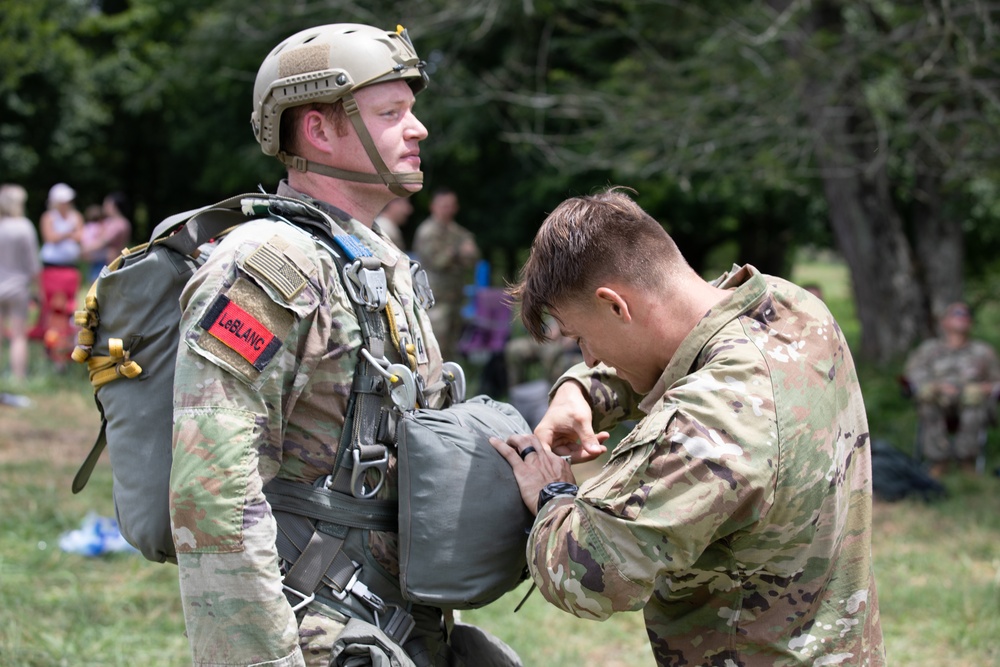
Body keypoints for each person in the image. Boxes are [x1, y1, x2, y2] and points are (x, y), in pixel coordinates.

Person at [169, 23, 519, 667]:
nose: (418, 130)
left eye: (411, 111)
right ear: (318, 130)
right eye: (392, 113)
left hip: (396, 619)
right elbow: (212, 489)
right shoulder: (266, 267)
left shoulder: (376, 257)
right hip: (318, 627)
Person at [490, 188, 885, 665]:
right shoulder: (790, 309)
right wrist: (580, 389)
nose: (588, 357)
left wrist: (552, 493)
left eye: (580, 338)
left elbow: (587, 576)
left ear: (616, 306)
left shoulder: (710, 423)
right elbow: (685, 349)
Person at [904, 301, 1000, 477]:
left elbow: (997, 382)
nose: (962, 317)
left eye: (966, 314)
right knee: (927, 402)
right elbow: (913, 378)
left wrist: (982, 388)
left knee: (973, 404)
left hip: (972, 401)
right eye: (956, 314)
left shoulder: (983, 351)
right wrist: (937, 387)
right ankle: (939, 461)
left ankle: (967, 461)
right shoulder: (929, 349)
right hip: (940, 399)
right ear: (944, 322)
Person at [412, 188, 480, 361]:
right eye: (444, 206)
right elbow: (437, 262)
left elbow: (473, 257)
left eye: (451, 205)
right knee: (435, 348)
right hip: (435, 301)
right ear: (433, 206)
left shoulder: (457, 231)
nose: (448, 210)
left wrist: (459, 254)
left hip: (455, 299)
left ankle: (450, 385)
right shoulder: (427, 232)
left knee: (452, 348)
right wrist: (458, 252)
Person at [34, 182, 84, 370]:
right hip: (52, 269)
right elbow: (51, 237)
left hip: (70, 269)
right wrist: (68, 233)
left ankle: (64, 351)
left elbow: (79, 236)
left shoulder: (75, 216)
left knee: (68, 310)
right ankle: (50, 349)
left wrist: (63, 234)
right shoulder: (48, 217)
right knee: (52, 309)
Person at [0, 184, 41, 381]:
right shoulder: (24, 226)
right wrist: (38, 289)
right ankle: (19, 378)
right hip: (18, 288)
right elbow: (33, 264)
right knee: (18, 336)